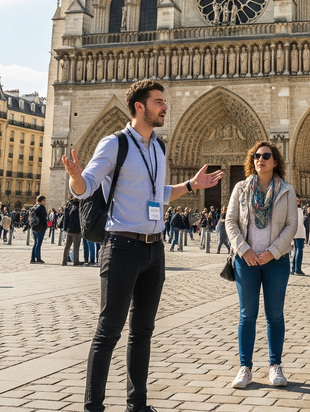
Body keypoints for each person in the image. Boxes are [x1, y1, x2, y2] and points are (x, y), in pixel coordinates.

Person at [62, 79, 222, 412]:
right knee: (109, 331)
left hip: (154, 249)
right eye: (159, 102)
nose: (165, 107)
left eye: (164, 102)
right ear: (140, 107)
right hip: (121, 246)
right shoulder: (114, 144)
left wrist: (192, 184)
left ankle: (138, 404)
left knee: (143, 331)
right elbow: (85, 187)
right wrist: (75, 175)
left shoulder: (159, 148)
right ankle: (93, 407)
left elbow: (158, 195)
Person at [226, 141, 297, 388]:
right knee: (247, 315)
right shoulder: (241, 188)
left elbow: (291, 225)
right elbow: (230, 222)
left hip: (275, 261)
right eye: (256, 156)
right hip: (246, 260)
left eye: (266, 156)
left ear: (275, 161)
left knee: (274, 315)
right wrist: (244, 250)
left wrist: (273, 251)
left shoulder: (286, 190)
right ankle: (245, 368)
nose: (260, 159)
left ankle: (275, 366)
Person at [61, 196, 83, 266]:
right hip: (77, 229)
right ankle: (76, 262)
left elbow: (65, 217)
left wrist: (65, 227)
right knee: (76, 246)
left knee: (67, 246)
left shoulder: (68, 204)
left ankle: (64, 262)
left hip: (69, 229)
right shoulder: (80, 205)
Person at [30, 196, 48, 263]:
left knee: (35, 243)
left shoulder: (33, 207)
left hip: (34, 226)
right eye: (44, 201)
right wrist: (45, 226)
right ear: (42, 200)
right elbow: (43, 218)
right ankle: (38, 258)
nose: (45, 202)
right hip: (40, 227)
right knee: (39, 243)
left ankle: (32, 258)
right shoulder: (42, 207)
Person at [291, 194, 306, 275]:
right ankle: (298, 269)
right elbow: (299, 223)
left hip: (295, 233)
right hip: (299, 233)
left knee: (296, 250)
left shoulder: (291, 210)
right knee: (299, 251)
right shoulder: (299, 210)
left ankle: (294, 269)